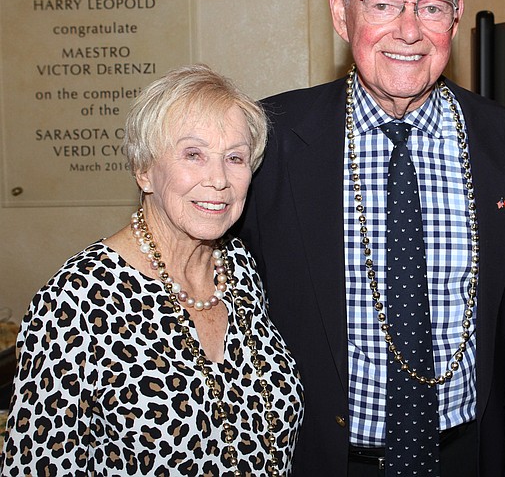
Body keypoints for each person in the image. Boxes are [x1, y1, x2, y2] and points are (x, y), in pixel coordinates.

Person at [236, 0, 505, 477]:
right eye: (385, 4)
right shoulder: (269, 140)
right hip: (320, 460)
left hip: (471, 458)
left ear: (457, 16)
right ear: (342, 12)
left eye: (432, 7)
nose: (410, 30)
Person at [1, 65, 304, 476]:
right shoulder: (77, 301)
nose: (218, 180)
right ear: (144, 170)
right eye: (193, 154)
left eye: (235, 158)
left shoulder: (240, 270)